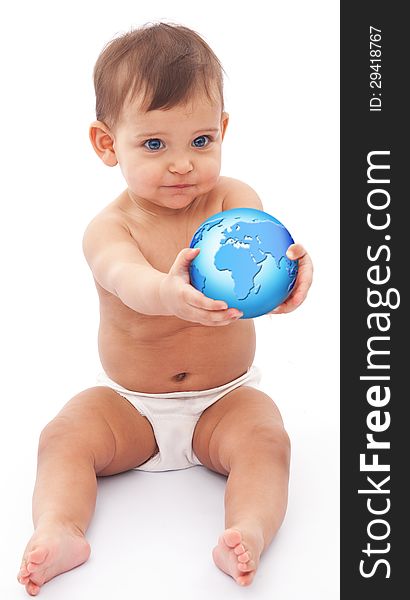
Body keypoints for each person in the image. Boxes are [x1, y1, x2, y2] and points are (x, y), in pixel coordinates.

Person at [17, 22, 313, 595]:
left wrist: (292, 281)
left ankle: (247, 530)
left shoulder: (233, 200)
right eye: (155, 144)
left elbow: (263, 254)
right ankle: (60, 528)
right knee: (63, 437)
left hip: (224, 399)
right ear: (108, 144)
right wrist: (168, 293)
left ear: (223, 131)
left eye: (200, 141)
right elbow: (126, 280)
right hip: (129, 405)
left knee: (267, 439)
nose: (182, 164)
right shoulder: (109, 228)